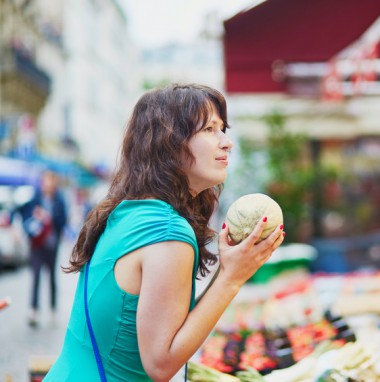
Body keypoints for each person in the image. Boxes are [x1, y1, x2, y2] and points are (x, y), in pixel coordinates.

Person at [44, 84, 285, 381]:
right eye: (210, 129)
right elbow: (160, 363)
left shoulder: (130, 212)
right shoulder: (168, 232)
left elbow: (167, 327)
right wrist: (232, 279)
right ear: (170, 144)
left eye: (223, 129)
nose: (227, 142)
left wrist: (228, 271)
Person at [14, 170, 67, 326]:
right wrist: (28, 226)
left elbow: (62, 222)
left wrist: (49, 218)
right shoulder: (35, 198)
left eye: (51, 182)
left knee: (51, 278)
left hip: (51, 244)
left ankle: (52, 310)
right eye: (46, 182)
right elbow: (23, 214)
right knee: (36, 276)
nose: (48, 185)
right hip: (36, 244)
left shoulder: (59, 200)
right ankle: (34, 311)